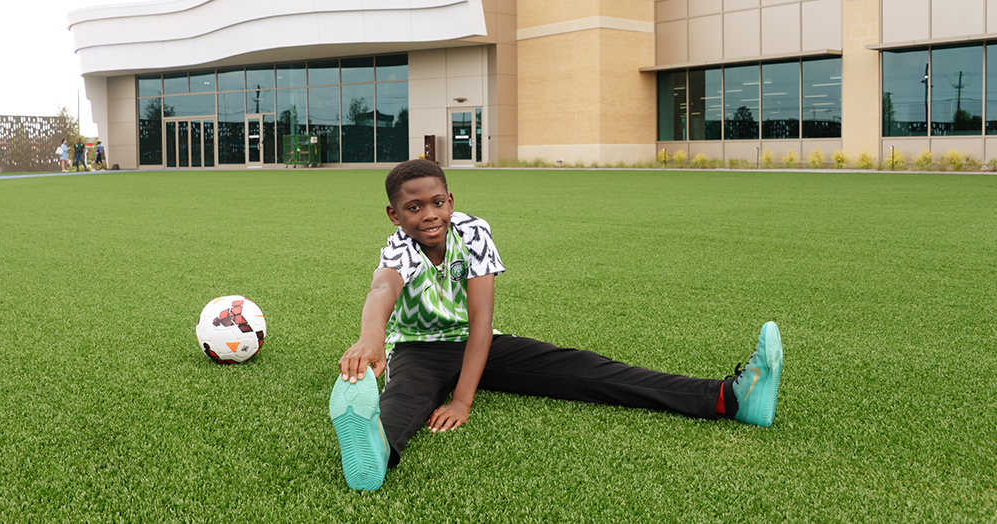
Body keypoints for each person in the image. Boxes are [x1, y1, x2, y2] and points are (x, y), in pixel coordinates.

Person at [329, 159, 784, 491]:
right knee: (403, 400)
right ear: (395, 215)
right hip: (418, 349)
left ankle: (731, 398)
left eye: (437, 202)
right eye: (413, 208)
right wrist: (371, 338)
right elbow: (382, 290)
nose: (428, 215)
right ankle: (376, 454)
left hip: (480, 342)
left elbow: (482, 320)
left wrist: (464, 400)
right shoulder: (399, 248)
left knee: (587, 369)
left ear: (451, 200)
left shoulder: (472, 231)